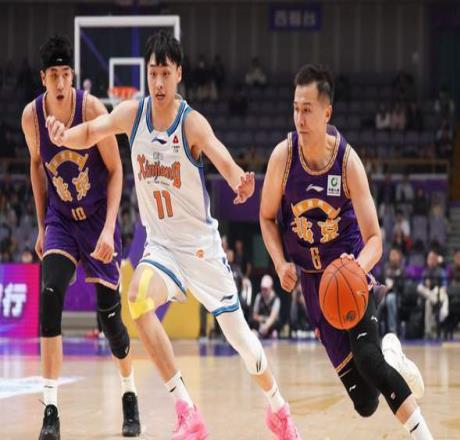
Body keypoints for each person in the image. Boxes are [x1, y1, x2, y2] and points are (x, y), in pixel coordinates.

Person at [47, 31, 299, 440]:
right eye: (153, 73)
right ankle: (186, 409)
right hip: (161, 247)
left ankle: (279, 408)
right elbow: (92, 131)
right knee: (137, 300)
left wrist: (238, 178)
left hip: (200, 251)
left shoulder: (191, 122)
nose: (159, 82)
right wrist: (64, 137)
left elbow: (221, 155)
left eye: (165, 73)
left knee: (243, 342)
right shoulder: (133, 114)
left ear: (179, 74)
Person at [260, 64, 432, 439]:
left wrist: (358, 267)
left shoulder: (348, 163)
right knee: (366, 403)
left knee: (369, 361)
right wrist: (279, 261)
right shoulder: (282, 159)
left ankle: (423, 434)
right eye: (295, 108)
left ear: (327, 113)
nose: (299, 118)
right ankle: (391, 352)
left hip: (349, 273)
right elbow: (266, 217)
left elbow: (376, 239)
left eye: (307, 109)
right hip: (314, 286)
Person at [21, 35, 141, 439]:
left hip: (96, 220)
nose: (60, 82)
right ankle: (50, 410)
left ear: (72, 75)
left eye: (65, 74)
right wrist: (42, 226)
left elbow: (117, 171)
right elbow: (36, 166)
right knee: (50, 294)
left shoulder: (91, 110)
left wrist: (108, 228)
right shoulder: (31, 117)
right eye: (53, 75)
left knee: (110, 319)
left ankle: (129, 392)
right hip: (60, 220)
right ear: (43, 78)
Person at [251, 274, 281, 339]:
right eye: (262, 288)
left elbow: (273, 318)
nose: (263, 291)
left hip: (271, 328)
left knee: (274, 334)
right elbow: (254, 315)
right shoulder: (259, 297)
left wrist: (265, 327)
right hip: (259, 326)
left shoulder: (276, 299)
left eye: (266, 289)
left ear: (271, 287)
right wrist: (262, 320)